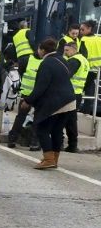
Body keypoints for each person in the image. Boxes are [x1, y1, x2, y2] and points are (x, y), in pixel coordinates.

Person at [22, 37, 76, 169]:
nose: (38, 52)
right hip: (70, 101)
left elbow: (41, 86)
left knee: (42, 128)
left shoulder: (46, 63)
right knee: (57, 130)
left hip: (56, 102)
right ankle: (54, 159)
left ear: (43, 50)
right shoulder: (61, 60)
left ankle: (48, 158)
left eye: (39, 49)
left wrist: (28, 100)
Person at [8, 41, 47, 150]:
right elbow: (19, 74)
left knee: (31, 118)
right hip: (31, 94)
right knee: (23, 117)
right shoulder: (28, 60)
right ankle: (16, 140)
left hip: (35, 94)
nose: (43, 53)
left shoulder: (34, 60)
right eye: (42, 51)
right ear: (39, 48)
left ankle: (28, 141)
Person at [63, 40, 89, 153]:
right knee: (71, 120)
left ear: (74, 49)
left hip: (69, 93)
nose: (65, 53)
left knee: (61, 118)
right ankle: (73, 145)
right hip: (77, 93)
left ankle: (59, 143)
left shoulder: (74, 60)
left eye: (67, 50)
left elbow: (66, 75)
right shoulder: (84, 60)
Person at [79, 19, 101, 114]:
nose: (80, 32)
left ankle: (78, 107)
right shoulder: (99, 39)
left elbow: (82, 55)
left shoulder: (84, 40)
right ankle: (86, 109)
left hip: (87, 68)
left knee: (81, 88)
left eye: (82, 30)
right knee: (90, 87)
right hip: (97, 69)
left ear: (89, 29)